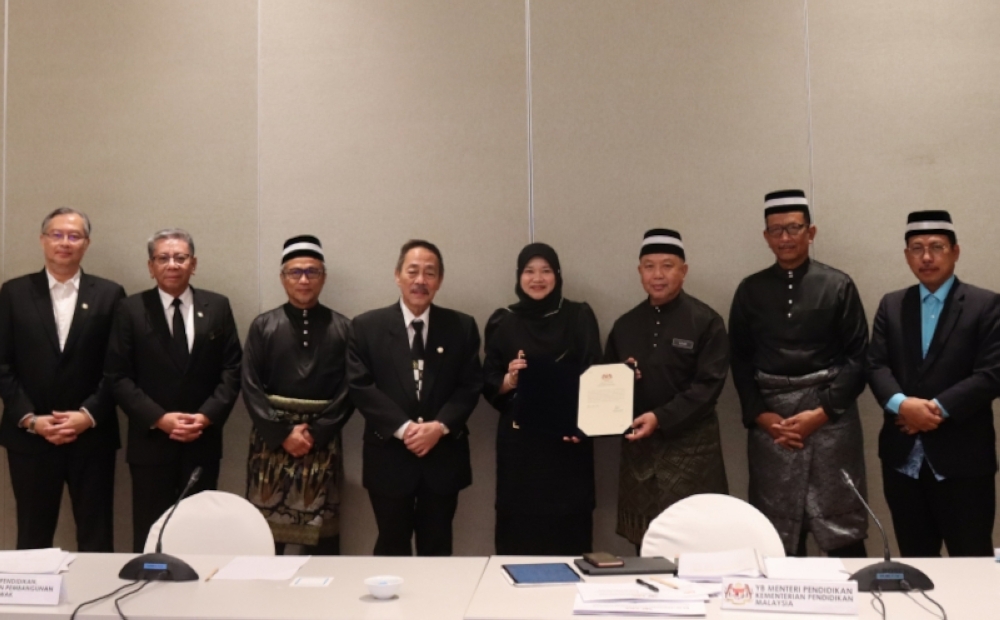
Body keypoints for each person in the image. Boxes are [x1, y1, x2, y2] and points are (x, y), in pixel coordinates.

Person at [729, 189, 869, 557]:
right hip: (772, 421)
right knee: (776, 535)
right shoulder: (750, 289)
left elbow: (858, 358)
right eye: (776, 230)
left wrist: (821, 413)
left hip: (829, 417)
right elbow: (740, 359)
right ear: (766, 236)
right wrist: (763, 416)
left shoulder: (838, 284)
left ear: (811, 232)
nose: (785, 237)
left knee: (843, 531)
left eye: (794, 228)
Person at [867, 211, 1000, 557]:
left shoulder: (986, 305)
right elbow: (876, 364)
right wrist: (902, 405)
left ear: (955, 251)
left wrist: (935, 410)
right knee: (916, 563)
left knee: (970, 562)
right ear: (907, 255)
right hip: (902, 461)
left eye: (937, 247)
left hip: (963, 461)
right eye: (917, 248)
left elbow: (991, 374)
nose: (926, 257)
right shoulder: (892, 305)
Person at [105, 228, 242, 552]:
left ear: (193, 264)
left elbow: (232, 369)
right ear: (150, 266)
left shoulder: (217, 306)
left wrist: (206, 416)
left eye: (180, 257)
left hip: (201, 439)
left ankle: (199, 583)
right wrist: (159, 418)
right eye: (163, 258)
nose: (172, 264)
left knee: (201, 532)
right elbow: (118, 376)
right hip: (151, 442)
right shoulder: (130, 309)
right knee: (151, 531)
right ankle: (149, 582)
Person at [0, 208, 125, 551]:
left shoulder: (110, 294)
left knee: (97, 536)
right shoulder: (13, 293)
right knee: (32, 537)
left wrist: (87, 415)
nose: (64, 242)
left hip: (92, 434)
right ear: (42, 240)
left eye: (74, 236)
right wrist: (30, 420)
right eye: (56, 235)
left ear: (86, 243)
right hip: (30, 436)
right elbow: (3, 364)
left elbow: (118, 367)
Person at [347, 239, 482, 556]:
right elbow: (360, 386)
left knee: (438, 547)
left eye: (430, 273)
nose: (421, 280)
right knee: (391, 545)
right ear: (397, 275)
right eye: (413, 271)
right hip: (389, 457)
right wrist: (405, 428)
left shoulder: (461, 327)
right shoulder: (367, 326)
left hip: (442, 456)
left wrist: (439, 427)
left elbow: (470, 385)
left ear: (439, 280)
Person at [604, 229, 729, 550]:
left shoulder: (706, 321)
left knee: (696, 542)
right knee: (647, 543)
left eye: (667, 265)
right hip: (640, 449)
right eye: (649, 266)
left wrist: (661, 417)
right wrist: (622, 379)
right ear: (639, 271)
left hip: (693, 449)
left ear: (683, 271)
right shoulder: (625, 325)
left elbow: (708, 387)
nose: (657, 275)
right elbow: (605, 385)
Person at [483, 243, 601, 555]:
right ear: (519, 276)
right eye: (529, 271)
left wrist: (582, 427)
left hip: (567, 444)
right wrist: (510, 379)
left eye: (546, 271)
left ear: (557, 275)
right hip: (520, 448)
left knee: (569, 539)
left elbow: (594, 375)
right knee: (519, 537)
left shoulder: (578, 316)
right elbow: (488, 381)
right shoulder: (503, 321)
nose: (537, 278)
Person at [242, 235, 353, 555]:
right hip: (270, 443)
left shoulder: (344, 328)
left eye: (312, 272)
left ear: (323, 277)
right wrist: (281, 434)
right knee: (266, 542)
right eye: (295, 272)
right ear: (283, 278)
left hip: (322, 443)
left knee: (324, 544)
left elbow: (351, 388)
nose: (304, 280)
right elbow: (250, 386)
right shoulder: (263, 325)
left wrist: (317, 433)